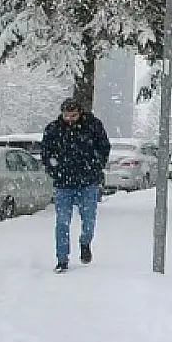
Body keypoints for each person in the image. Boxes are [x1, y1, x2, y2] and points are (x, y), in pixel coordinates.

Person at [41, 98, 110, 273]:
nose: (70, 119)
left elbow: (104, 147)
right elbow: (45, 153)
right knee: (62, 222)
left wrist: (96, 165)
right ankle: (62, 259)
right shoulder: (54, 129)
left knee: (89, 220)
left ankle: (85, 242)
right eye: (66, 115)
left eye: (73, 115)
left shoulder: (93, 126)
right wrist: (53, 169)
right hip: (63, 184)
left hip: (88, 182)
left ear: (80, 113)